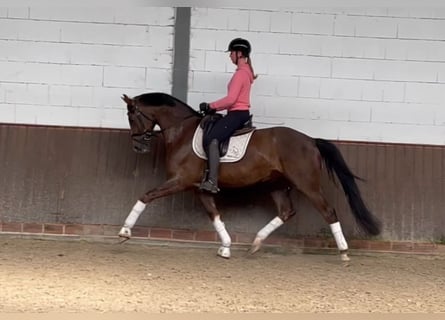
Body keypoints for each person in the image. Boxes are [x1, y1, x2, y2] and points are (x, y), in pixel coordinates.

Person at [199, 37, 257, 194]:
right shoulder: (246, 73)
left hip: (237, 114)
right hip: (239, 113)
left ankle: (212, 181)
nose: (230, 55)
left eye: (231, 52)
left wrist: (211, 106)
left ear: (239, 53)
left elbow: (231, 99)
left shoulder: (240, 74)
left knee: (212, 138)